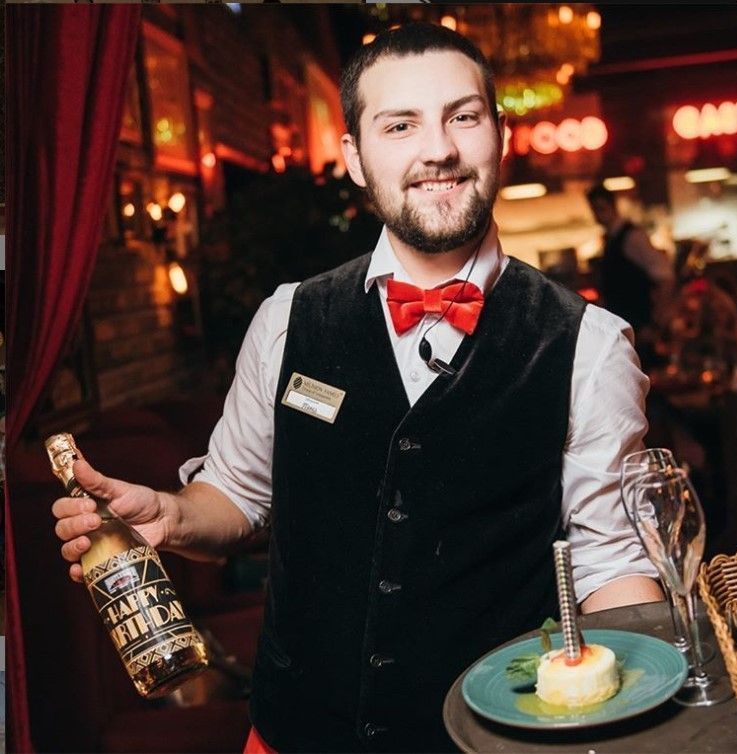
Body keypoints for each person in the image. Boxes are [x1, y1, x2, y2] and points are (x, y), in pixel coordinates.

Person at [54, 24, 663, 754]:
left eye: (463, 117)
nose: (437, 149)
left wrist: (645, 703)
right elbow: (238, 496)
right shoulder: (286, 320)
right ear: (354, 156)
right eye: (400, 125)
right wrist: (173, 515)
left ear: (500, 135)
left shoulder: (591, 345)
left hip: (500, 741)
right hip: (293, 734)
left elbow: (612, 566)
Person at [585, 183, 675, 346]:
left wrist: (656, 323)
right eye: (595, 210)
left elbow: (665, 276)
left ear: (613, 206)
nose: (597, 216)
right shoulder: (613, 239)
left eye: (600, 209)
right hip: (629, 328)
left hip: (641, 329)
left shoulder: (632, 237)